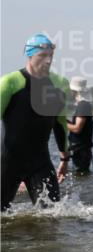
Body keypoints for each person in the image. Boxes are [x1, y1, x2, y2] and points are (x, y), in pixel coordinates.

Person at [1, 34, 70, 211]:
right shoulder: (10, 82)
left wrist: (64, 157)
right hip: (7, 161)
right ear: (30, 55)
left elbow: (60, 123)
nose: (47, 61)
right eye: (42, 56)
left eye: (51, 56)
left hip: (40, 162)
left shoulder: (60, 84)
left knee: (53, 215)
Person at [65, 77, 93, 173]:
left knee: (80, 175)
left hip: (81, 149)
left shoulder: (83, 106)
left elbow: (77, 128)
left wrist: (61, 123)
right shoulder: (83, 105)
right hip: (81, 149)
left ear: (75, 91)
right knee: (81, 177)